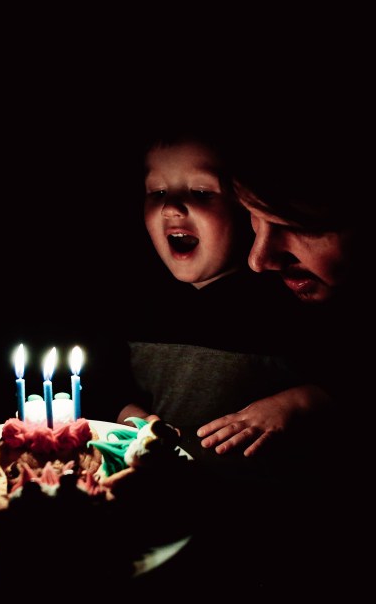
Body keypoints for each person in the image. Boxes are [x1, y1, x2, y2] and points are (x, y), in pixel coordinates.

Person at [113, 125, 332, 468]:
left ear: (246, 208)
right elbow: (107, 385)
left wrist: (294, 405)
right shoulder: (134, 302)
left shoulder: (288, 299)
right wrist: (128, 417)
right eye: (156, 192)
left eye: (201, 192)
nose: (171, 207)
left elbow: (352, 379)